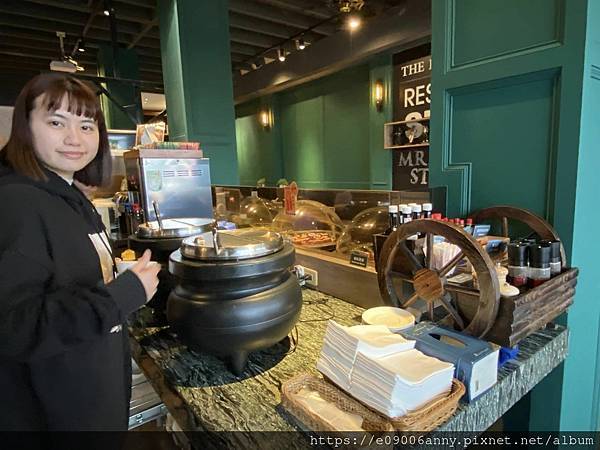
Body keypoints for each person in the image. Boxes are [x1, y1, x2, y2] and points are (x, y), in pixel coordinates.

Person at [0, 73, 160, 431]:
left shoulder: (68, 196)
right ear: (25, 127)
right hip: (50, 419)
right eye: (57, 122)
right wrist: (122, 295)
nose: (75, 138)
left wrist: (113, 276)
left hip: (87, 404)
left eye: (87, 125)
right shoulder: (17, 204)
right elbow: (13, 328)